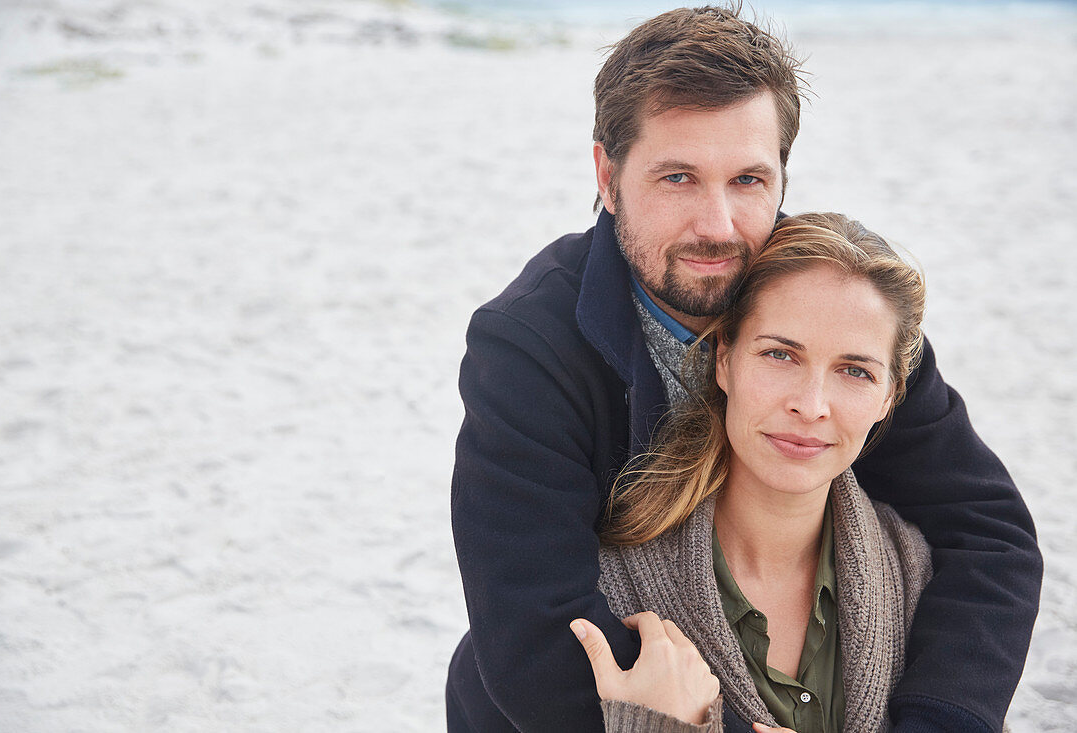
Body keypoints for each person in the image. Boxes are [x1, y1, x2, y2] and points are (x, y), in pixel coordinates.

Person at [446, 6, 1041, 732]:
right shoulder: (529, 345)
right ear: (608, 175)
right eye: (678, 177)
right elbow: (536, 633)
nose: (719, 225)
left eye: (749, 180)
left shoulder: (836, 312)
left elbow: (989, 534)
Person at [571, 212, 935, 732]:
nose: (811, 407)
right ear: (724, 360)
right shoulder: (606, 589)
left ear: (889, 397)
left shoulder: (920, 580)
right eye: (780, 355)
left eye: (855, 371)